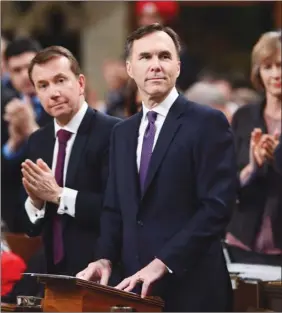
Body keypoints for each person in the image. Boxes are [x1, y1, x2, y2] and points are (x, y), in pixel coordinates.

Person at [76, 23, 237, 311]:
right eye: (145, 57)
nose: (155, 66)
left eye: (164, 56)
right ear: (129, 68)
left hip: (193, 290)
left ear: (177, 65)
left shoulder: (207, 123)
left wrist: (164, 262)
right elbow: (115, 208)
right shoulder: (122, 133)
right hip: (134, 291)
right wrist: (104, 258)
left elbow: (217, 207)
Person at [21, 46, 120, 276]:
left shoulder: (114, 132)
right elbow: (29, 226)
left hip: (101, 271)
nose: (53, 92)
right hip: (52, 271)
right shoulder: (38, 140)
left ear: (81, 84)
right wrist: (36, 201)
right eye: (43, 86)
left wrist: (57, 195)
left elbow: (115, 207)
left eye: (60, 80)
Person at [226, 31, 282, 266]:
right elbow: (226, 181)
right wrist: (252, 166)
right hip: (241, 241)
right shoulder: (243, 117)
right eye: (268, 66)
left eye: (281, 65)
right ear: (258, 71)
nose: (276, 74)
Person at [1, 38, 52, 233]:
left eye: (28, 67)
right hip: (15, 220)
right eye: (16, 70)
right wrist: (13, 144)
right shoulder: (6, 108)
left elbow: (64, 160)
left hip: (55, 215)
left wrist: (31, 128)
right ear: (7, 71)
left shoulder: (61, 101)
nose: (24, 75)